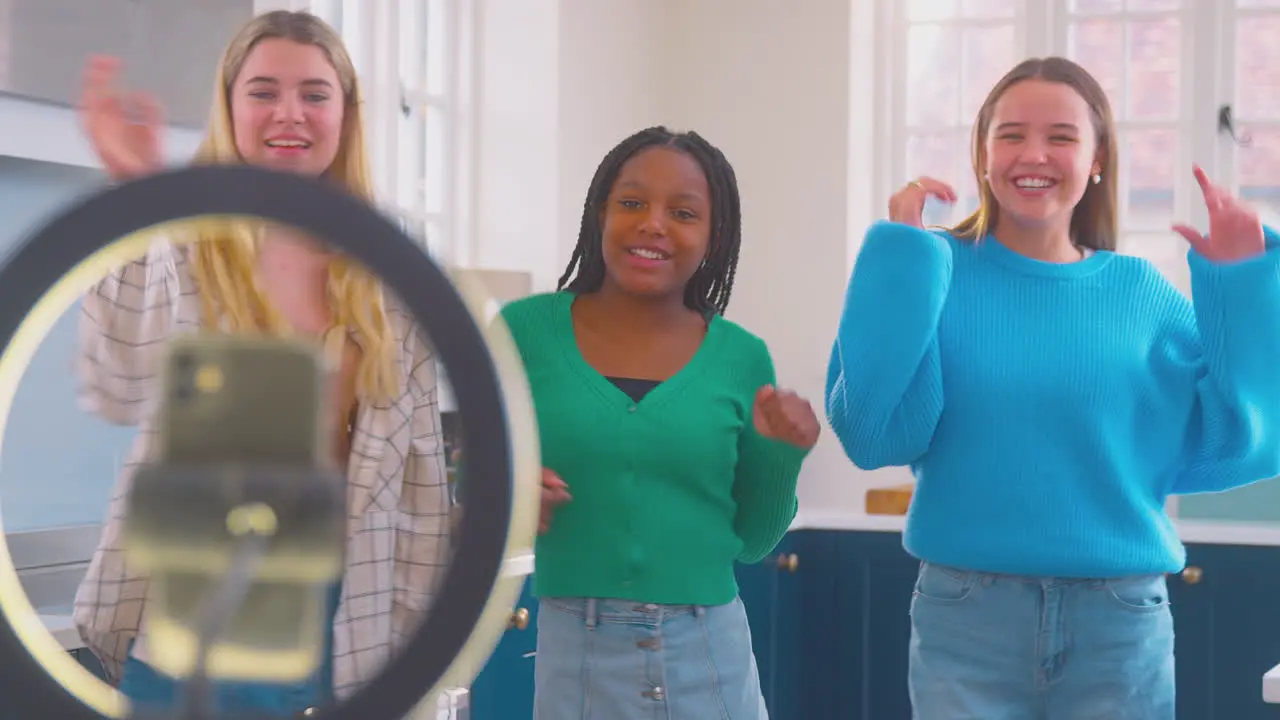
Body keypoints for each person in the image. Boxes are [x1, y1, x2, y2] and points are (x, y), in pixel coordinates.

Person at [825, 56, 1280, 719]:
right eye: (1011, 133)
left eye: (1061, 136)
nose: (1032, 153)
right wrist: (900, 252)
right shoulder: (931, 273)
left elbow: (1245, 440)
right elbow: (871, 433)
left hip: (1119, 625)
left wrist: (1242, 288)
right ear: (983, 154)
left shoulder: (1140, 294)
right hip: (965, 621)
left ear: (1097, 159)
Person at [71, 10, 452, 716]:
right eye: (264, 91)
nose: (289, 114)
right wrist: (133, 199)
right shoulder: (186, 242)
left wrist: (417, 653)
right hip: (198, 615)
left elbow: (420, 483)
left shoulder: (390, 272)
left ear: (345, 113)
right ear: (229, 104)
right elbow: (115, 385)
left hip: (346, 622)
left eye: (314, 93)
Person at [498, 126, 820, 719]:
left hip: (710, 654)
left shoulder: (742, 357)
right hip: (577, 661)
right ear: (600, 213)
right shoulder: (521, 333)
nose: (653, 223)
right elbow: (470, 482)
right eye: (631, 203)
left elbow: (754, 541)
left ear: (713, 236)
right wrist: (509, 492)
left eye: (683, 212)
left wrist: (782, 457)